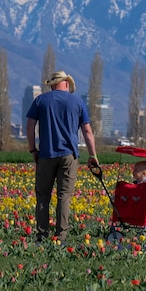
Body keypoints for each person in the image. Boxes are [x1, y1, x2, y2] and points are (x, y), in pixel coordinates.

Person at [26, 70, 98, 242]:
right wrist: (93, 155)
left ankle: (42, 235)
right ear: (66, 83)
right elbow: (87, 132)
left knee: (43, 195)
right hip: (69, 155)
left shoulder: (40, 101)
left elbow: (30, 127)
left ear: (52, 84)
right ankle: (61, 236)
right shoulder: (77, 102)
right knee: (64, 196)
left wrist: (32, 150)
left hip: (46, 154)